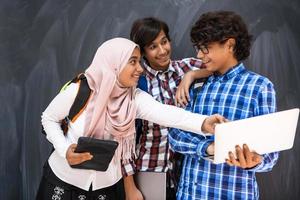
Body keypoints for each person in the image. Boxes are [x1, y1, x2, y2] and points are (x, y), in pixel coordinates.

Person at [37, 37, 225, 200]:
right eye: (133, 62)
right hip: (63, 181)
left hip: (107, 187)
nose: (140, 69)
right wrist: (64, 150)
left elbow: (168, 114)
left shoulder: (133, 98)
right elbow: (49, 118)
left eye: (139, 62)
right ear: (114, 64)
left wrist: (203, 122)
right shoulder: (81, 89)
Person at [169, 11, 279, 200]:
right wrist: (209, 147)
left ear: (229, 44)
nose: (199, 55)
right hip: (190, 194)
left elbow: (270, 156)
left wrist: (253, 161)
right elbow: (175, 135)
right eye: (198, 48)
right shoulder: (194, 85)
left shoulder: (260, 87)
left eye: (205, 48)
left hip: (232, 193)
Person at [122, 17, 211, 200]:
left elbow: (217, 66)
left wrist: (191, 76)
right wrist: (130, 187)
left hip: (185, 169)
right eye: (153, 46)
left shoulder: (185, 67)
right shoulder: (137, 81)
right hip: (149, 168)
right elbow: (124, 139)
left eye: (164, 42)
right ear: (143, 51)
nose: (162, 51)